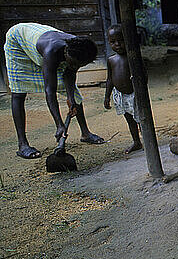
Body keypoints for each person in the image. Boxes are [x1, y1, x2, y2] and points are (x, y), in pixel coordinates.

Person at [4, 22, 105, 159]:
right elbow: (49, 91)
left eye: (79, 65)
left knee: (75, 95)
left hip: (39, 37)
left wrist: (70, 98)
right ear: (66, 52)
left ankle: (85, 134)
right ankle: (23, 145)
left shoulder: (80, 48)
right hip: (18, 40)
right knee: (18, 92)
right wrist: (59, 124)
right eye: (73, 63)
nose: (75, 66)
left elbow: (69, 74)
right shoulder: (52, 51)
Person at [103, 24, 143, 153]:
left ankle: (149, 140)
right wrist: (106, 96)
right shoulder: (111, 60)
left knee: (142, 119)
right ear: (109, 42)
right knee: (130, 120)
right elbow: (109, 79)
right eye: (113, 42)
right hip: (120, 95)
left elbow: (144, 74)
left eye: (121, 41)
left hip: (135, 94)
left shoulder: (133, 57)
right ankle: (136, 142)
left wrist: (142, 90)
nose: (117, 44)